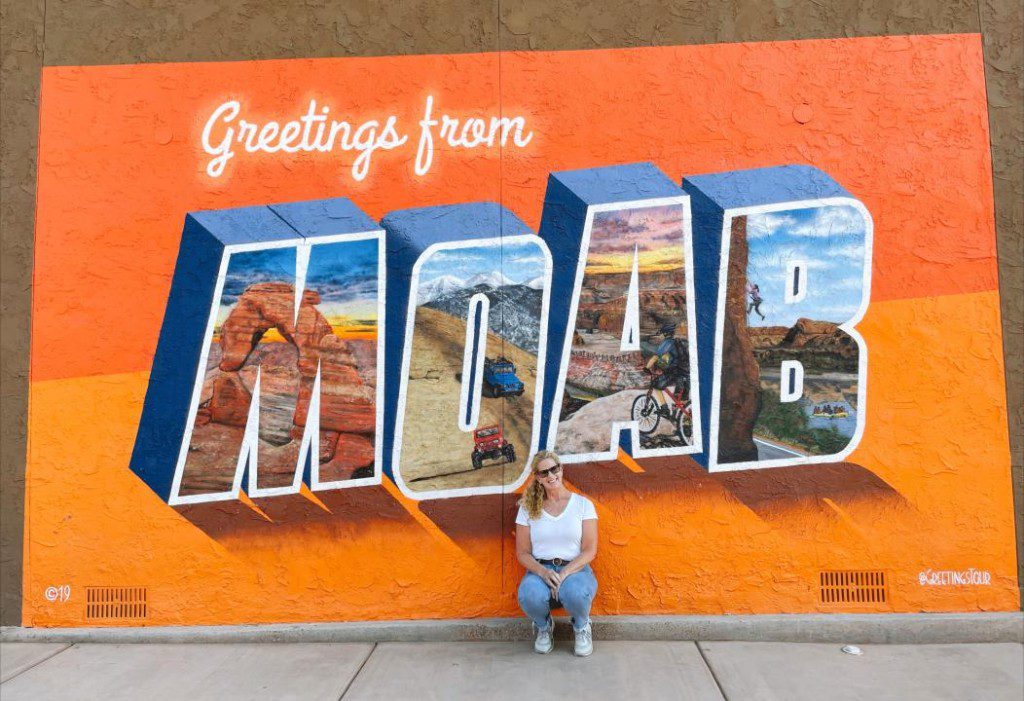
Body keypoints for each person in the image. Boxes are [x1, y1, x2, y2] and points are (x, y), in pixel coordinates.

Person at [516, 451, 598, 656]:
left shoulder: (583, 505)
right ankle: (544, 627)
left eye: (554, 469)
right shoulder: (527, 508)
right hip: (540, 569)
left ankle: (582, 627)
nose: (551, 476)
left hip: (576, 569)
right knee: (528, 594)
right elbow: (523, 553)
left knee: (576, 593)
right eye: (544, 473)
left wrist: (563, 574)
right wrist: (544, 573)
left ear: (561, 469)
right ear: (537, 477)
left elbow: (590, 550)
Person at [645, 322, 690, 413]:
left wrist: (647, 367)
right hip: (683, 372)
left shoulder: (667, 342)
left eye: (661, 333)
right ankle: (682, 414)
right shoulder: (677, 342)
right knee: (680, 400)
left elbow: (656, 357)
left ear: (665, 333)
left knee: (656, 385)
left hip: (674, 372)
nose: (660, 335)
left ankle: (664, 409)